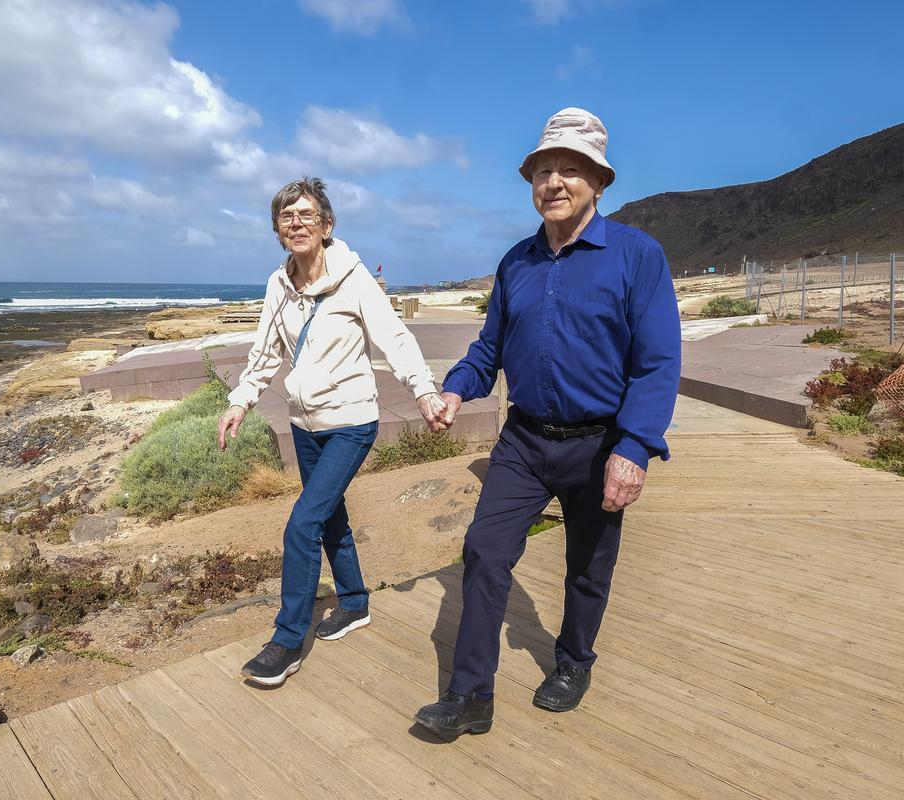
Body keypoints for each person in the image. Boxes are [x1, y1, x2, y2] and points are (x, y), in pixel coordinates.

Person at [413, 108, 681, 737]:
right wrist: (455, 391)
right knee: (484, 550)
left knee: (588, 563)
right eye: (543, 171)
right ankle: (470, 693)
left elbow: (658, 362)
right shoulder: (516, 264)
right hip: (525, 440)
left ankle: (573, 662)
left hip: (601, 444)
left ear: (599, 183)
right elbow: (489, 350)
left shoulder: (638, 256)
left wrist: (635, 447)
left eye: (571, 170)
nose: (554, 182)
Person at [218, 176, 449, 687]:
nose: (296, 224)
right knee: (328, 518)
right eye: (286, 217)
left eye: (306, 215)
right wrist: (239, 402)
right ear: (278, 230)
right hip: (305, 425)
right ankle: (354, 602)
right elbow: (265, 352)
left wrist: (424, 390)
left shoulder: (355, 280)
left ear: (326, 226)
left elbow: (395, 338)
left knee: (302, 524)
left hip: (350, 422)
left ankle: (286, 641)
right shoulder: (278, 284)